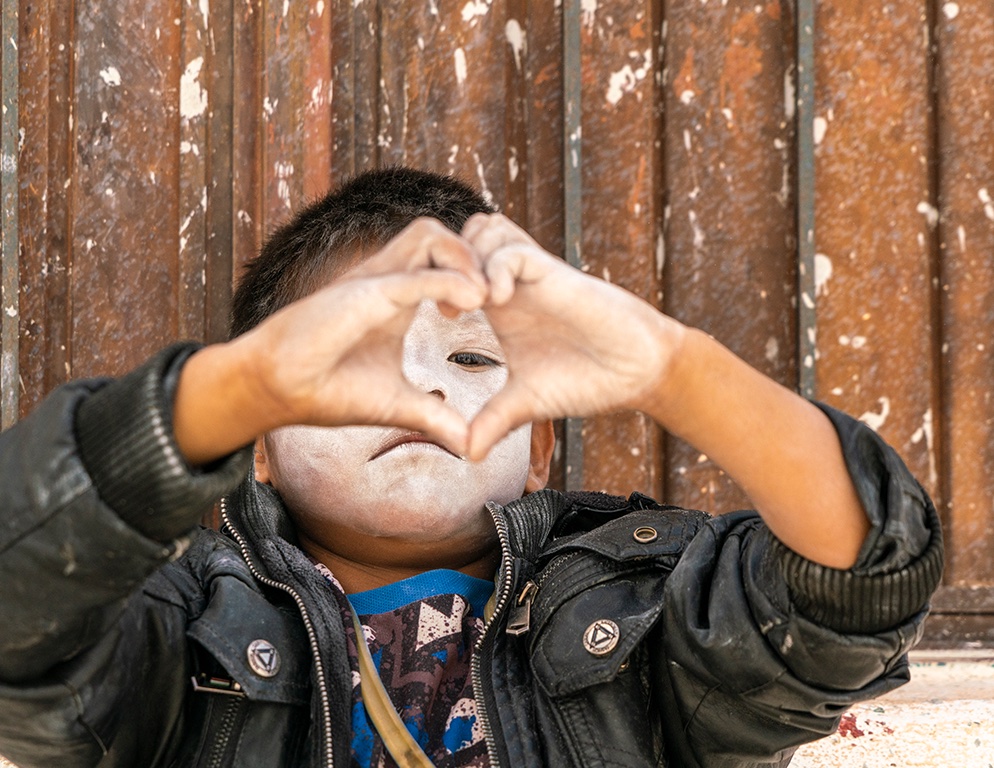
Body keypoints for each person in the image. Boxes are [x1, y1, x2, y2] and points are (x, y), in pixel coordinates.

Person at [0, 166, 942, 768]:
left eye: (470, 357)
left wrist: (673, 369)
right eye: (356, 365)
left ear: (539, 451)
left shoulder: (649, 616)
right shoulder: (181, 628)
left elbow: (859, 584)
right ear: (262, 450)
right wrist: (228, 389)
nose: (421, 386)